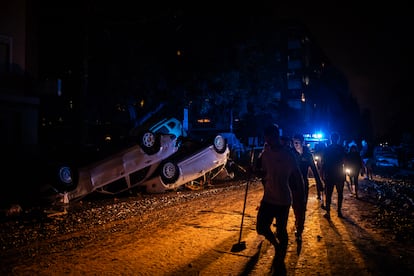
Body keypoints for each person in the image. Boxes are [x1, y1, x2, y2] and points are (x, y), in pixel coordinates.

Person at [253, 124, 306, 268]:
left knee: (281, 231)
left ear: (276, 136)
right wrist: (255, 171)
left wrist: (299, 198)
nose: (268, 140)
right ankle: (276, 244)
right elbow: (262, 172)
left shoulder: (288, 155)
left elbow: (297, 176)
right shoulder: (265, 154)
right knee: (261, 228)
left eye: (270, 137)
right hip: (268, 198)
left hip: (283, 200)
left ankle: (281, 255)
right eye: (266, 137)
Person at [291, 133, 324, 239]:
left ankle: (299, 228)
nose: (295, 144)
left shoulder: (308, 155)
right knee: (295, 206)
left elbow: (314, 170)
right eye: (294, 142)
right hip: (292, 184)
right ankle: (298, 221)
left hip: (303, 184)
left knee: (302, 206)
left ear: (302, 142)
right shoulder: (291, 154)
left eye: (297, 142)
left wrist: (319, 182)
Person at [320, 131, 346, 219]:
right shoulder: (341, 148)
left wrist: (322, 173)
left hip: (330, 174)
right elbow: (344, 161)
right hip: (339, 173)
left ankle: (328, 212)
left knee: (329, 194)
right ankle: (338, 211)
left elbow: (323, 162)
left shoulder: (327, 149)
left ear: (331, 139)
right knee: (339, 193)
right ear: (337, 139)